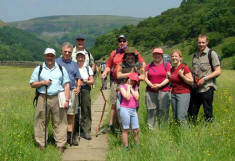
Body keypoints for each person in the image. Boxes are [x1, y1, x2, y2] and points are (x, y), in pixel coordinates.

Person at [101, 35, 145, 132]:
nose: (122, 43)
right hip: (116, 82)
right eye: (120, 41)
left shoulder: (133, 51)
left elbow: (142, 63)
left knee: (130, 105)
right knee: (115, 104)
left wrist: (138, 74)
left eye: (123, 41)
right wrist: (105, 72)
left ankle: (127, 127)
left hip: (131, 84)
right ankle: (114, 126)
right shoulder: (114, 53)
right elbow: (108, 65)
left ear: (127, 42)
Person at [29, 48, 70, 152]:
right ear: (44, 56)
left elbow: (66, 85)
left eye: (51, 55)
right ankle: (41, 144)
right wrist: (42, 83)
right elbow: (32, 84)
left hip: (58, 97)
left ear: (55, 57)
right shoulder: (39, 69)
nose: (49, 57)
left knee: (60, 121)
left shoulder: (61, 68)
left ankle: (60, 144)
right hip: (43, 97)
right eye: (48, 55)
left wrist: (67, 100)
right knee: (41, 121)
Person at [189, 34, 221, 122]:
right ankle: (192, 130)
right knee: (192, 112)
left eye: (203, 42)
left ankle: (208, 128)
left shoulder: (212, 54)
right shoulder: (195, 55)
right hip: (196, 88)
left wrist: (205, 78)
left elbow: (218, 71)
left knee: (208, 112)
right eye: (199, 42)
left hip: (207, 88)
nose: (201, 44)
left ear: (207, 42)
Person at [56, 42, 81, 146]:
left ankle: (70, 138)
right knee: (60, 116)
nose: (67, 53)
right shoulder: (56, 61)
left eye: (69, 52)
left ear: (72, 53)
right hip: (59, 91)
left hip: (71, 91)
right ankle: (59, 137)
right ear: (61, 51)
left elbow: (78, 78)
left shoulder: (74, 64)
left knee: (71, 115)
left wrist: (78, 87)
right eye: (65, 51)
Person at [145, 47, 171, 129]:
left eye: (159, 54)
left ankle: (163, 128)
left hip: (164, 91)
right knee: (151, 110)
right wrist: (151, 85)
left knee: (163, 110)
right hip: (150, 91)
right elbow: (145, 77)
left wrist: (159, 85)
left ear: (162, 55)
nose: (157, 56)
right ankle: (152, 129)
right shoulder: (148, 66)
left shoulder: (167, 65)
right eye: (155, 54)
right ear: (153, 55)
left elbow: (168, 77)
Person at [169, 49, 193, 124]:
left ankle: (186, 134)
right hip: (173, 94)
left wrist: (182, 76)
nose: (174, 58)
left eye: (176, 56)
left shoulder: (184, 67)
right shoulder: (172, 69)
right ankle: (178, 134)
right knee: (175, 117)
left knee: (181, 117)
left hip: (183, 94)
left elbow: (191, 82)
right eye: (172, 56)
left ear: (180, 58)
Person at [76, 50, 94, 140]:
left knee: (86, 109)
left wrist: (85, 81)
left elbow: (92, 81)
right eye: (78, 57)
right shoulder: (74, 67)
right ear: (76, 58)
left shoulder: (87, 68)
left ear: (84, 58)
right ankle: (75, 131)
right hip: (75, 89)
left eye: (82, 57)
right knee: (75, 110)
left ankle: (86, 131)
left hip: (85, 89)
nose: (80, 58)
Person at [119, 72, 140, 150]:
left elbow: (137, 97)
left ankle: (136, 145)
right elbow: (127, 97)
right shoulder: (122, 86)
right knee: (126, 129)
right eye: (132, 80)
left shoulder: (135, 87)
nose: (133, 82)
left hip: (133, 110)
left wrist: (132, 88)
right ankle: (126, 146)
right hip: (125, 109)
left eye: (135, 81)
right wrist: (128, 88)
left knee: (136, 129)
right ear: (128, 79)